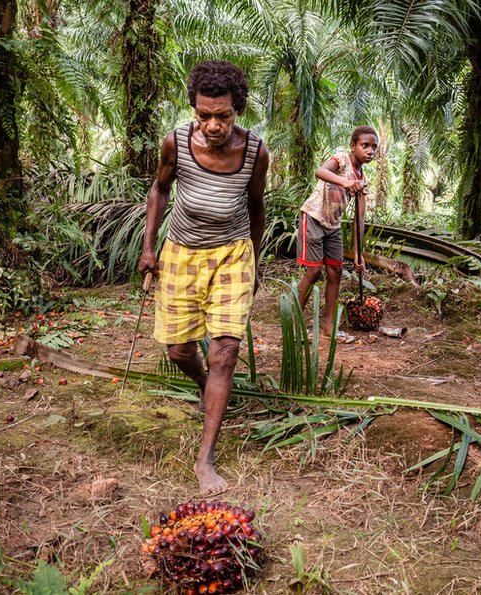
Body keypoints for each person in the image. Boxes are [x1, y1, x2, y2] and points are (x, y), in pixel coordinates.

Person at [137, 60, 269, 496]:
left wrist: (255, 258)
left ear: (238, 110)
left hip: (232, 254)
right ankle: (205, 387)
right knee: (179, 351)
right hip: (181, 253)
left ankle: (205, 458)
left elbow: (255, 205)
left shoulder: (255, 152)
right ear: (194, 109)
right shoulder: (174, 143)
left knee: (225, 351)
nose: (213, 126)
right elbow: (159, 190)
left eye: (224, 116)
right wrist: (148, 247)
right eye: (204, 115)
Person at [296, 126, 378, 341]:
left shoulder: (363, 181)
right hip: (313, 218)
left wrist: (359, 253)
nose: (370, 151)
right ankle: (294, 324)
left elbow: (359, 217)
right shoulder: (341, 160)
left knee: (335, 273)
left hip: (333, 226)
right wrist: (345, 182)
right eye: (365, 146)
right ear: (353, 146)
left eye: (374, 147)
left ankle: (329, 327)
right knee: (313, 273)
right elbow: (320, 171)